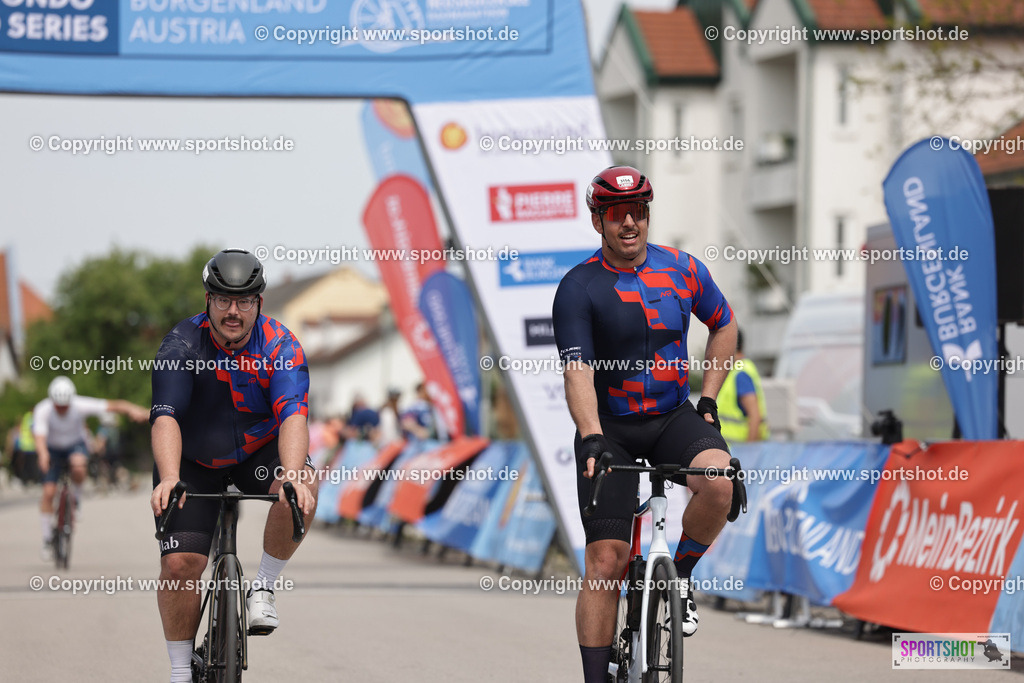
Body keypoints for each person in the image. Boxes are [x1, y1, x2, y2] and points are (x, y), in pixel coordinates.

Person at [552, 166, 739, 683]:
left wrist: (708, 399)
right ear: (598, 222)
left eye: (637, 211)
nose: (629, 222)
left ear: (648, 215)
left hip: (671, 416)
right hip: (609, 426)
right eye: (616, 214)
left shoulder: (682, 269)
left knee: (721, 482)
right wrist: (590, 434)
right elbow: (577, 370)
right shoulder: (579, 286)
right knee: (605, 564)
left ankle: (678, 580)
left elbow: (724, 323)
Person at [149, 248, 317, 683]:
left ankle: (262, 585)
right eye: (223, 299)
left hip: (256, 455)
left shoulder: (281, 345)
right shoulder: (181, 343)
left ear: (259, 303)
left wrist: (293, 473)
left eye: (244, 301)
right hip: (193, 460)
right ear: (208, 300)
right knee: (180, 565)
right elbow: (165, 417)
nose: (233, 311)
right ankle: (180, 672)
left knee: (302, 485)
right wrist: (170, 476)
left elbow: (293, 417)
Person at [34, 376, 149, 560]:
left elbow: (113, 406)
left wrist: (133, 409)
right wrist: (42, 455)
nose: (62, 409)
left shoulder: (79, 404)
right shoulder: (43, 409)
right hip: (52, 448)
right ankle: (47, 539)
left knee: (79, 465)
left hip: (74, 445)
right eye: (59, 406)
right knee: (48, 492)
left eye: (65, 406)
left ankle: (76, 500)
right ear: (52, 401)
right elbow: (39, 437)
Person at [718, 328, 769, 444]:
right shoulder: (737, 370)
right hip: (736, 452)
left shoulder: (741, 373)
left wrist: (748, 453)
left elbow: (755, 416)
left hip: (740, 453)